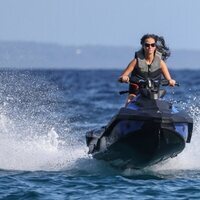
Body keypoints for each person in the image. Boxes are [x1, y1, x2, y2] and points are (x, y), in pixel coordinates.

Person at [118, 34, 176, 105]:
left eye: (152, 45)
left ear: (155, 46)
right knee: (130, 99)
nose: (150, 47)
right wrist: (124, 78)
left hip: (154, 94)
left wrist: (171, 81)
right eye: (147, 45)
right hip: (136, 93)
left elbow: (169, 79)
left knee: (163, 103)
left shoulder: (161, 63)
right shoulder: (136, 61)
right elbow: (121, 77)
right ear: (143, 46)